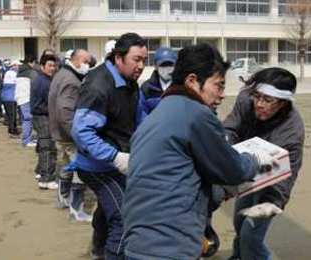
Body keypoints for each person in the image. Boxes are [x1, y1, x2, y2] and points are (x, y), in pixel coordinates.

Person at [122, 43, 275, 260]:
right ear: (192, 81)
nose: (222, 95)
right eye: (219, 86)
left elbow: (177, 176)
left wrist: (219, 192)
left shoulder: (158, 114)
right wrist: (254, 159)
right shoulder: (196, 114)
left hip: (139, 238)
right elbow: (232, 169)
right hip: (169, 242)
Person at [72, 32, 148, 260]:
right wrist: (115, 157)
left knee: (110, 208)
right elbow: (81, 131)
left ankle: (98, 248)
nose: (141, 66)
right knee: (124, 216)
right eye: (137, 59)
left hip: (120, 158)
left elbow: (139, 118)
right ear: (118, 57)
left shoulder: (131, 83)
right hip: (96, 166)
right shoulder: (99, 85)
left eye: (145, 60)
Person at [223, 67, 305, 260]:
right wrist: (225, 146)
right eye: (257, 96)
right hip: (247, 165)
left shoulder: (292, 132)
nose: (259, 104)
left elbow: (288, 174)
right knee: (239, 221)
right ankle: (238, 256)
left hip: (273, 178)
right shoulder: (246, 100)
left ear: (284, 103)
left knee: (251, 235)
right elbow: (230, 127)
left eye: (268, 100)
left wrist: (272, 202)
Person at [48, 49, 92, 221]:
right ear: (75, 60)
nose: (88, 65)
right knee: (81, 170)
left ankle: (62, 198)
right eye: (86, 61)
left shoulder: (61, 74)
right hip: (68, 134)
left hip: (59, 133)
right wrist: (78, 135)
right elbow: (65, 111)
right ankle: (76, 210)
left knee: (66, 166)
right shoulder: (71, 80)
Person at [30, 54, 58, 189]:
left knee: (44, 145)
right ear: (42, 67)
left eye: (54, 65)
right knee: (48, 148)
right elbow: (47, 103)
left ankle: (40, 171)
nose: (52, 68)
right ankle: (46, 178)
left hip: (42, 116)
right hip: (42, 116)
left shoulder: (45, 79)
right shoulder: (43, 81)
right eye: (50, 66)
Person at [139, 46, 176, 120]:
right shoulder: (146, 88)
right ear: (155, 66)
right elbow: (142, 116)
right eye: (163, 65)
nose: (167, 68)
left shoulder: (182, 86)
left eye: (170, 65)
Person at [15, 55, 38, 147]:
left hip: (20, 98)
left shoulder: (20, 71)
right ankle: (26, 140)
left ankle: (28, 138)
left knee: (26, 119)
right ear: (31, 62)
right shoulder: (31, 72)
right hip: (27, 98)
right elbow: (36, 85)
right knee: (28, 119)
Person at [1, 59, 21, 138]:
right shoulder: (15, 74)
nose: (19, 67)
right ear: (14, 65)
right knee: (13, 115)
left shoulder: (7, 72)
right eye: (18, 65)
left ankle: (10, 129)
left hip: (5, 96)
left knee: (9, 114)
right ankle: (13, 131)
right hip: (11, 97)